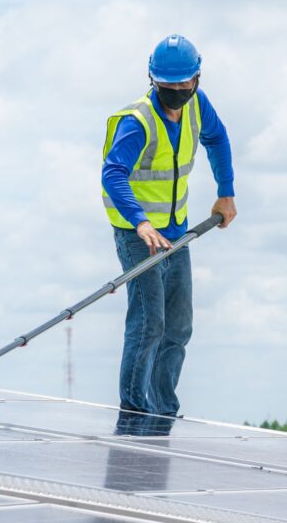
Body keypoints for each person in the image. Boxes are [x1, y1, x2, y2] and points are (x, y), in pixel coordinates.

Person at [101, 34, 237, 417]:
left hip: (176, 230)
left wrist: (225, 192)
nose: (177, 91)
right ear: (152, 78)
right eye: (168, 85)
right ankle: (135, 413)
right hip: (138, 235)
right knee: (150, 324)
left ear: (197, 78)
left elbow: (218, 138)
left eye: (184, 83)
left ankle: (162, 412)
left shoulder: (197, 105)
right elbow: (113, 174)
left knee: (178, 327)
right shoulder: (137, 120)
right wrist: (140, 222)